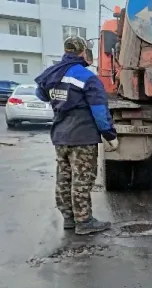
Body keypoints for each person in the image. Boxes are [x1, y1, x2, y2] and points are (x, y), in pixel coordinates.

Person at [34, 36, 118, 235]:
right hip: (82, 136)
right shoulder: (86, 77)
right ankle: (84, 221)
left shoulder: (51, 73)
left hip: (60, 134)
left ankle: (69, 219)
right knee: (82, 178)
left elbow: (41, 94)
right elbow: (99, 110)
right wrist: (109, 134)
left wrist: (60, 99)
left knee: (64, 178)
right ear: (82, 52)